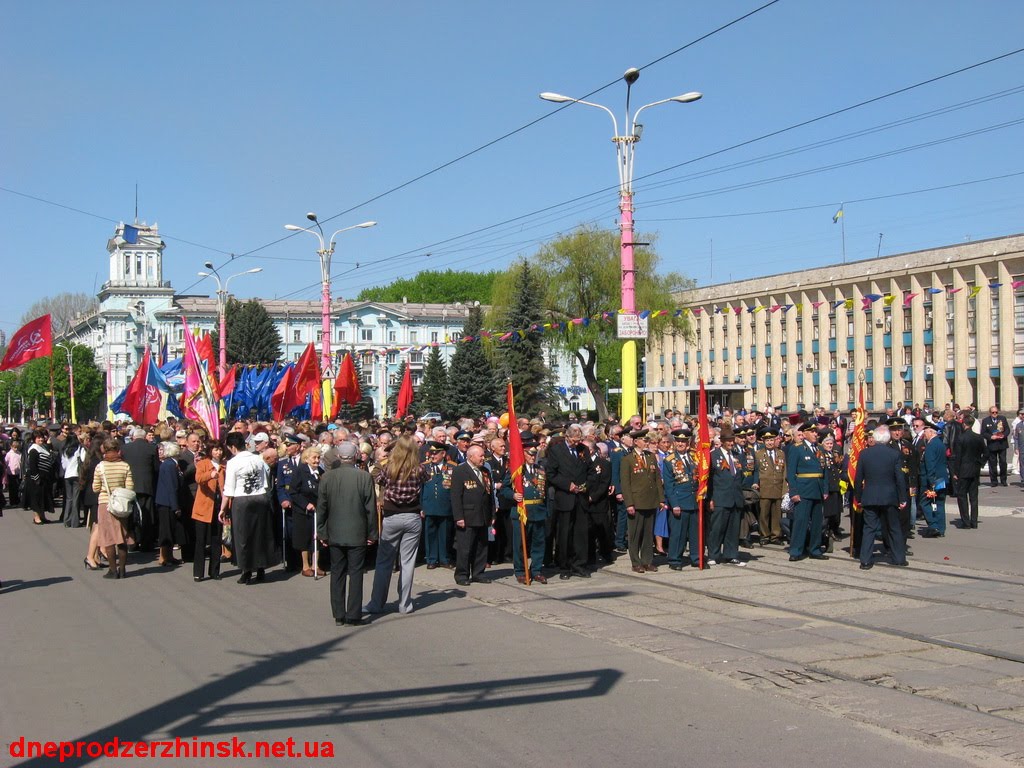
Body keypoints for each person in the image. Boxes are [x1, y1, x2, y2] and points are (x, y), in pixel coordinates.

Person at [366, 435, 430, 614]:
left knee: (384, 561)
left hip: (392, 516)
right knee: (408, 562)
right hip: (412, 517)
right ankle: (405, 604)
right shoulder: (418, 469)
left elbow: (379, 480)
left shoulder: (390, 468)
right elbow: (428, 478)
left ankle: (376, 603)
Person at [317, 441, 377, 626]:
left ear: (338, 457)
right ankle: (353, 614)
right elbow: (371, 509)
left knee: (337, 572)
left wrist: (322, 532)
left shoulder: (327, 477)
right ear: (356, 455)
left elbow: (322, 507)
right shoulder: (364, 477)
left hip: (334, 532)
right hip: (357, 532)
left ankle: (338, 614)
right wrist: (372, 533)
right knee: (356, 573)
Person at [220, 432, 276, 584]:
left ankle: (246, 570)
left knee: (243, 536)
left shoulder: (233, 462)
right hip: (260, 497)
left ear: (232, 447)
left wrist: (222, 509)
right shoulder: (258, 459)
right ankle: (261, 569)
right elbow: (265, 482)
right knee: (260, 534)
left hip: (242, 500)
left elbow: (229, 489)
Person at [853, 424, 909, 569]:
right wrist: (903, 498)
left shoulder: (865, 454)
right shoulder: (894, 454)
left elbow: (858, 478)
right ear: (888, 438)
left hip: (870, 496)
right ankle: (899, 558)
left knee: (869, 528)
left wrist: (858, 497)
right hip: (890, 497)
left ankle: (865, 560)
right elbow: (900, 479)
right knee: (894, 528)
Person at [545, 424, 591, 579]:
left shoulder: (583, 450)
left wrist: (586, 485)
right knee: (564, 534)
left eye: (579, 440)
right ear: (567, 437)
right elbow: (551, 474)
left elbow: (590, 470)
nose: (576, 443)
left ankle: (579, 565)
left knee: (581, 534)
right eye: (574, 440)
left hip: (581, 497)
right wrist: (567, 485)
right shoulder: (556, 451)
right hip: (565, 497)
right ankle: (564, 567)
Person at [500, 439, 548, 584]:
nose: (533, 457)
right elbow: (504, 488)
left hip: (538, 510)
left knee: (538, 543)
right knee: (520, 544)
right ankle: (520, 571)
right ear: (523, 454)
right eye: (529, 454)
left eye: (534, 454)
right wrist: (513, 495)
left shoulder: (540, 469)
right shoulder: (517, 471)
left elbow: (543, 490)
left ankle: (537, 570)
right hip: (522, 511)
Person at [619, 429, 666, 573]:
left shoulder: (651, 457)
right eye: (643, 440)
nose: (646, 442)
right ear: (635, 442)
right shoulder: (627, 459)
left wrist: (661, 499)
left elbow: (657, 479)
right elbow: (625, 483)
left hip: (650, 500)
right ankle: (635, 562)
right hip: (636, 501)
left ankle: (647, 561)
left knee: (647, 533)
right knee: (635, 534)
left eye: (647, 440)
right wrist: (629, 503)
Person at [450, 444, 494, 586]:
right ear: (471, 456)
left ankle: (478, 573)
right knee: (465, 547)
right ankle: (462, 574)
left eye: (483, 455)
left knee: (481, 546)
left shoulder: (485, 471)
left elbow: (490, 493)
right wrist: (458, 517)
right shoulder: (460, 470)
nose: (483, 458)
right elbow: (456, 496)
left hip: (483, 514)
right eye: (480, 456)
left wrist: (492, 514)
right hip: (467, 515)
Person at [785, 422, 829, 562]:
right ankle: (796, 550)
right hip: (803, 490)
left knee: (817, 522)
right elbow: (791, 473)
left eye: (816, 431)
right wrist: (793, 492)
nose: (816, 434)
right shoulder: (797, 449)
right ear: (804, 434)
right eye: (812, 431)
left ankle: (815, 549)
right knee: (801, 521)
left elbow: (825, 471)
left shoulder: (820, 449)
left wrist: (825, 489)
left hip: (818, 489)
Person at [92, 438, 134, 579]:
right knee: (122, 537)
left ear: (104, 449)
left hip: (105, 503)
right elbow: (130, 487)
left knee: (108, 538)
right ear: (118, 450)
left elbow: (95, 487)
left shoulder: (100, 467)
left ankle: (112, 570)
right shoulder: (125, 466)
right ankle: (122, 569)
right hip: (121, 504)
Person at [706, 428, 747, 567]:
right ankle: (713, 555)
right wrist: (710, 498)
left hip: (735, 497)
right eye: (728, 441)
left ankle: (731, 554)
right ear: (722, 441)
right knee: (717, 528)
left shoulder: (737, 455)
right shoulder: (713, 456)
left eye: (732, 440)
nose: (731, 443)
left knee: (733, 529)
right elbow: (709, 480)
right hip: (720, 498)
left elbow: (740, 476)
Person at [662, 428, 700, 569]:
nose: (681, 444)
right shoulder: (669, 460)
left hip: (694, 500)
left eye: (683, 441)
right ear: (674, 442)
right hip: (680, 501)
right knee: (678, 534)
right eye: (678, 441)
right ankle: (675, 560)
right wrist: (674, 504)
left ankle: (696, 558)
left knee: (694, 533)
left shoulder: (694, 456)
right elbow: (669, 485)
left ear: (688, 442)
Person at [290, 445, 327, 578]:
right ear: (306, 458)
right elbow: (293, 492)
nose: (317, 460)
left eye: (318, 457)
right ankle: (305, 566)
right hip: (303, 511)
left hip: (318, 510)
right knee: (304, 538)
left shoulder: (321, 472)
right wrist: (306, 504)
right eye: (314, 458)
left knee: (316, 537)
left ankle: (315, 565)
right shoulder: (300, 471)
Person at [191, 441, 225, 581]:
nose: (218, 453)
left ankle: (214, 571)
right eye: (216, 450)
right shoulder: (203, 463)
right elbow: (198, 478)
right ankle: (198, 572)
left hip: (218, 506)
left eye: (220, 450)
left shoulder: (224, 466)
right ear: (211, 451)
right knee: (201, 541)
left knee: (216, 540)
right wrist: (210, 475)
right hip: (203, 507)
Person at [122, 427, 160, 551]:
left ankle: (132, 541)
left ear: (133, 437)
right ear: (144, 437)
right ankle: (146, 542)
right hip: (146, 485)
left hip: (130, 485)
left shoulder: (125, 448)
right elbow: (156, 468)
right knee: (147, 515)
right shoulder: (151, 448)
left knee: (131, 514)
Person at [421, 441, 456, 569]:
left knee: (445, 533)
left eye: (436, 453)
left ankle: (444, 558)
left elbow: (454, 489)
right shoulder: (424, 467)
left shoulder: (452, 467)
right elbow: (421, 488)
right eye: (431, 453)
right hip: (429, 505)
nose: (433, 456)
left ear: (443, 453)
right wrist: (421, 507)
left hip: (446, 506)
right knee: (430, 533)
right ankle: (431, 559)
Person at [953, 414, 986, 529]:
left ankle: (966, 521)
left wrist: (955, 472)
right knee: (974, 497)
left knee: (962, 495)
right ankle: (974, 521)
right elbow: (986, 453)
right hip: (975, 469)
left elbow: (958, 457)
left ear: (964, 424)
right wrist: (980, 463)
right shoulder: (979, 437)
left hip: (963, 469)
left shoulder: (961, 438)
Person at [155, 442, 185, 567]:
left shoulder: (171, 464)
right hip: (166, 502)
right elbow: (172, 487)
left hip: (166, 501)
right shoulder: (169, 465)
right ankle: (163, 557)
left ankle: (170, 556)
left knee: (171, 530)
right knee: (166, 531)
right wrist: (175, 506)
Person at [754, 428, 786, 545]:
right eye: (767, 440)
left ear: (775, 440)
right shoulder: (758, 454)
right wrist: (756, 484)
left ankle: (775, 536)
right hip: (764, 488)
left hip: (777, 487)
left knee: (777, 514)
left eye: (771, 440)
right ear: (763, 441)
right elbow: (756, 471)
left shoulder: (781, 453)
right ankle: (764, 535)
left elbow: (784, 472)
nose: (770, 443)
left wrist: (784, 490)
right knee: (764, 514)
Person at [919, 419, 949, 538]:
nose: (924, 434)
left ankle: (933, 525)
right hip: (942, 478)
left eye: (925, 431)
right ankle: (941, 528)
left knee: (925, 502)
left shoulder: (931, 445)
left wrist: (931, 481)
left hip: (933, 479)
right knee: (939, 503)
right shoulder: (940, 443)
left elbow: (930, 464)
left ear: (931, 432)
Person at [981, 407, 1010, 487]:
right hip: (992, 444)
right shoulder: (985, 420)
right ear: (990, 413)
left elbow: (1007, 429)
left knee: (1003, 462)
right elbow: (983, 433)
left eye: (996, 412)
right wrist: (990, 437)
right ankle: (994, 481)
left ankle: (1003, 480)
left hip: (1002, 443)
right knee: (992, 463)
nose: (995, 414)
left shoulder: (1002, 419)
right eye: (993, 412)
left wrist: (1003, 435)